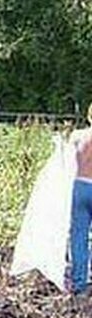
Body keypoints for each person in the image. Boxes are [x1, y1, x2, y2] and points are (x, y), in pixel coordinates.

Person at [69, 106, 92, 296]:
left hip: (80, 186)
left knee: (79, 236)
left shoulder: (78, 135)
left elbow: (66, 162)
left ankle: (79, 283)